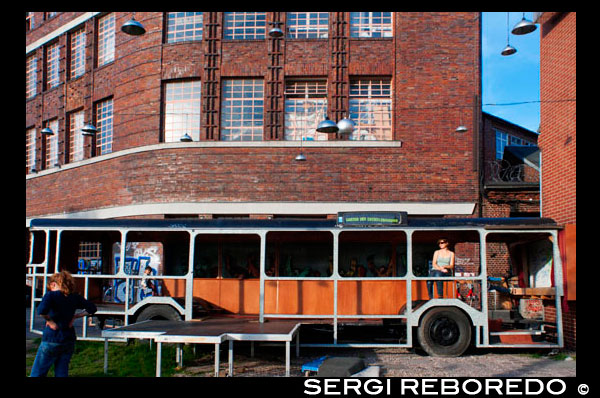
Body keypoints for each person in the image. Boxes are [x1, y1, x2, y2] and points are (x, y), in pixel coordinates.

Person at [30, 271, 97, 377]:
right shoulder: (75, 297)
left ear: (53, 284)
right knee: (62, 371)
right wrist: (76, 316)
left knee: (38, 372)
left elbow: (41, 311)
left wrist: (50, 322)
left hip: (52, 337)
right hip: (68, 338)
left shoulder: (51, 295)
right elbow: (92, 308)